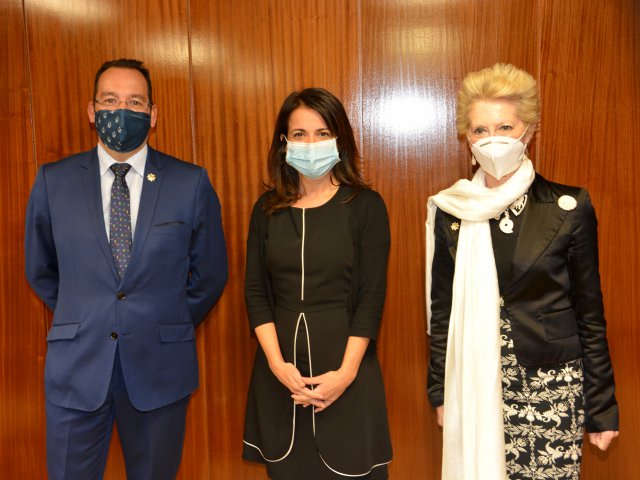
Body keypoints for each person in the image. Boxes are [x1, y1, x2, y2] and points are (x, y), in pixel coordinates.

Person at [25, 58, 228, 480]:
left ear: (153, 115)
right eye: (110, 100)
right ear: (91, 111)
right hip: (77, 371)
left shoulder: (189, 182)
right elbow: (41, 267)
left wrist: (163, 319)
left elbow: (209, 273)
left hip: (160, 370)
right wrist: (82, 313)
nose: (122, 111)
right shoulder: (53, 181)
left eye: (135, 102)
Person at [426, 63, 619, 480]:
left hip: (550, 386)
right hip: (474, 385)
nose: (492, 140)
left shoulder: (569, 207)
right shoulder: (451, 212)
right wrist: (441, 392)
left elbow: (590, 314)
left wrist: (602, 408)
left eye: (505, 127)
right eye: (480, 130)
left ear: (529, 130)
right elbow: (442, 313)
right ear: (467, 138)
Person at [242, 88, 392, 479]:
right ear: (284, 142)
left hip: (347, 369)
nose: (311, 144)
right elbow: (256, 292)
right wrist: (277, 365)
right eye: (300, 134)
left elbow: (371, 298)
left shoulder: (366, 206)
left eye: (323, 133)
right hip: (281, 374)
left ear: (339, 139)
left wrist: (344, 375)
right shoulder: (266, 209)